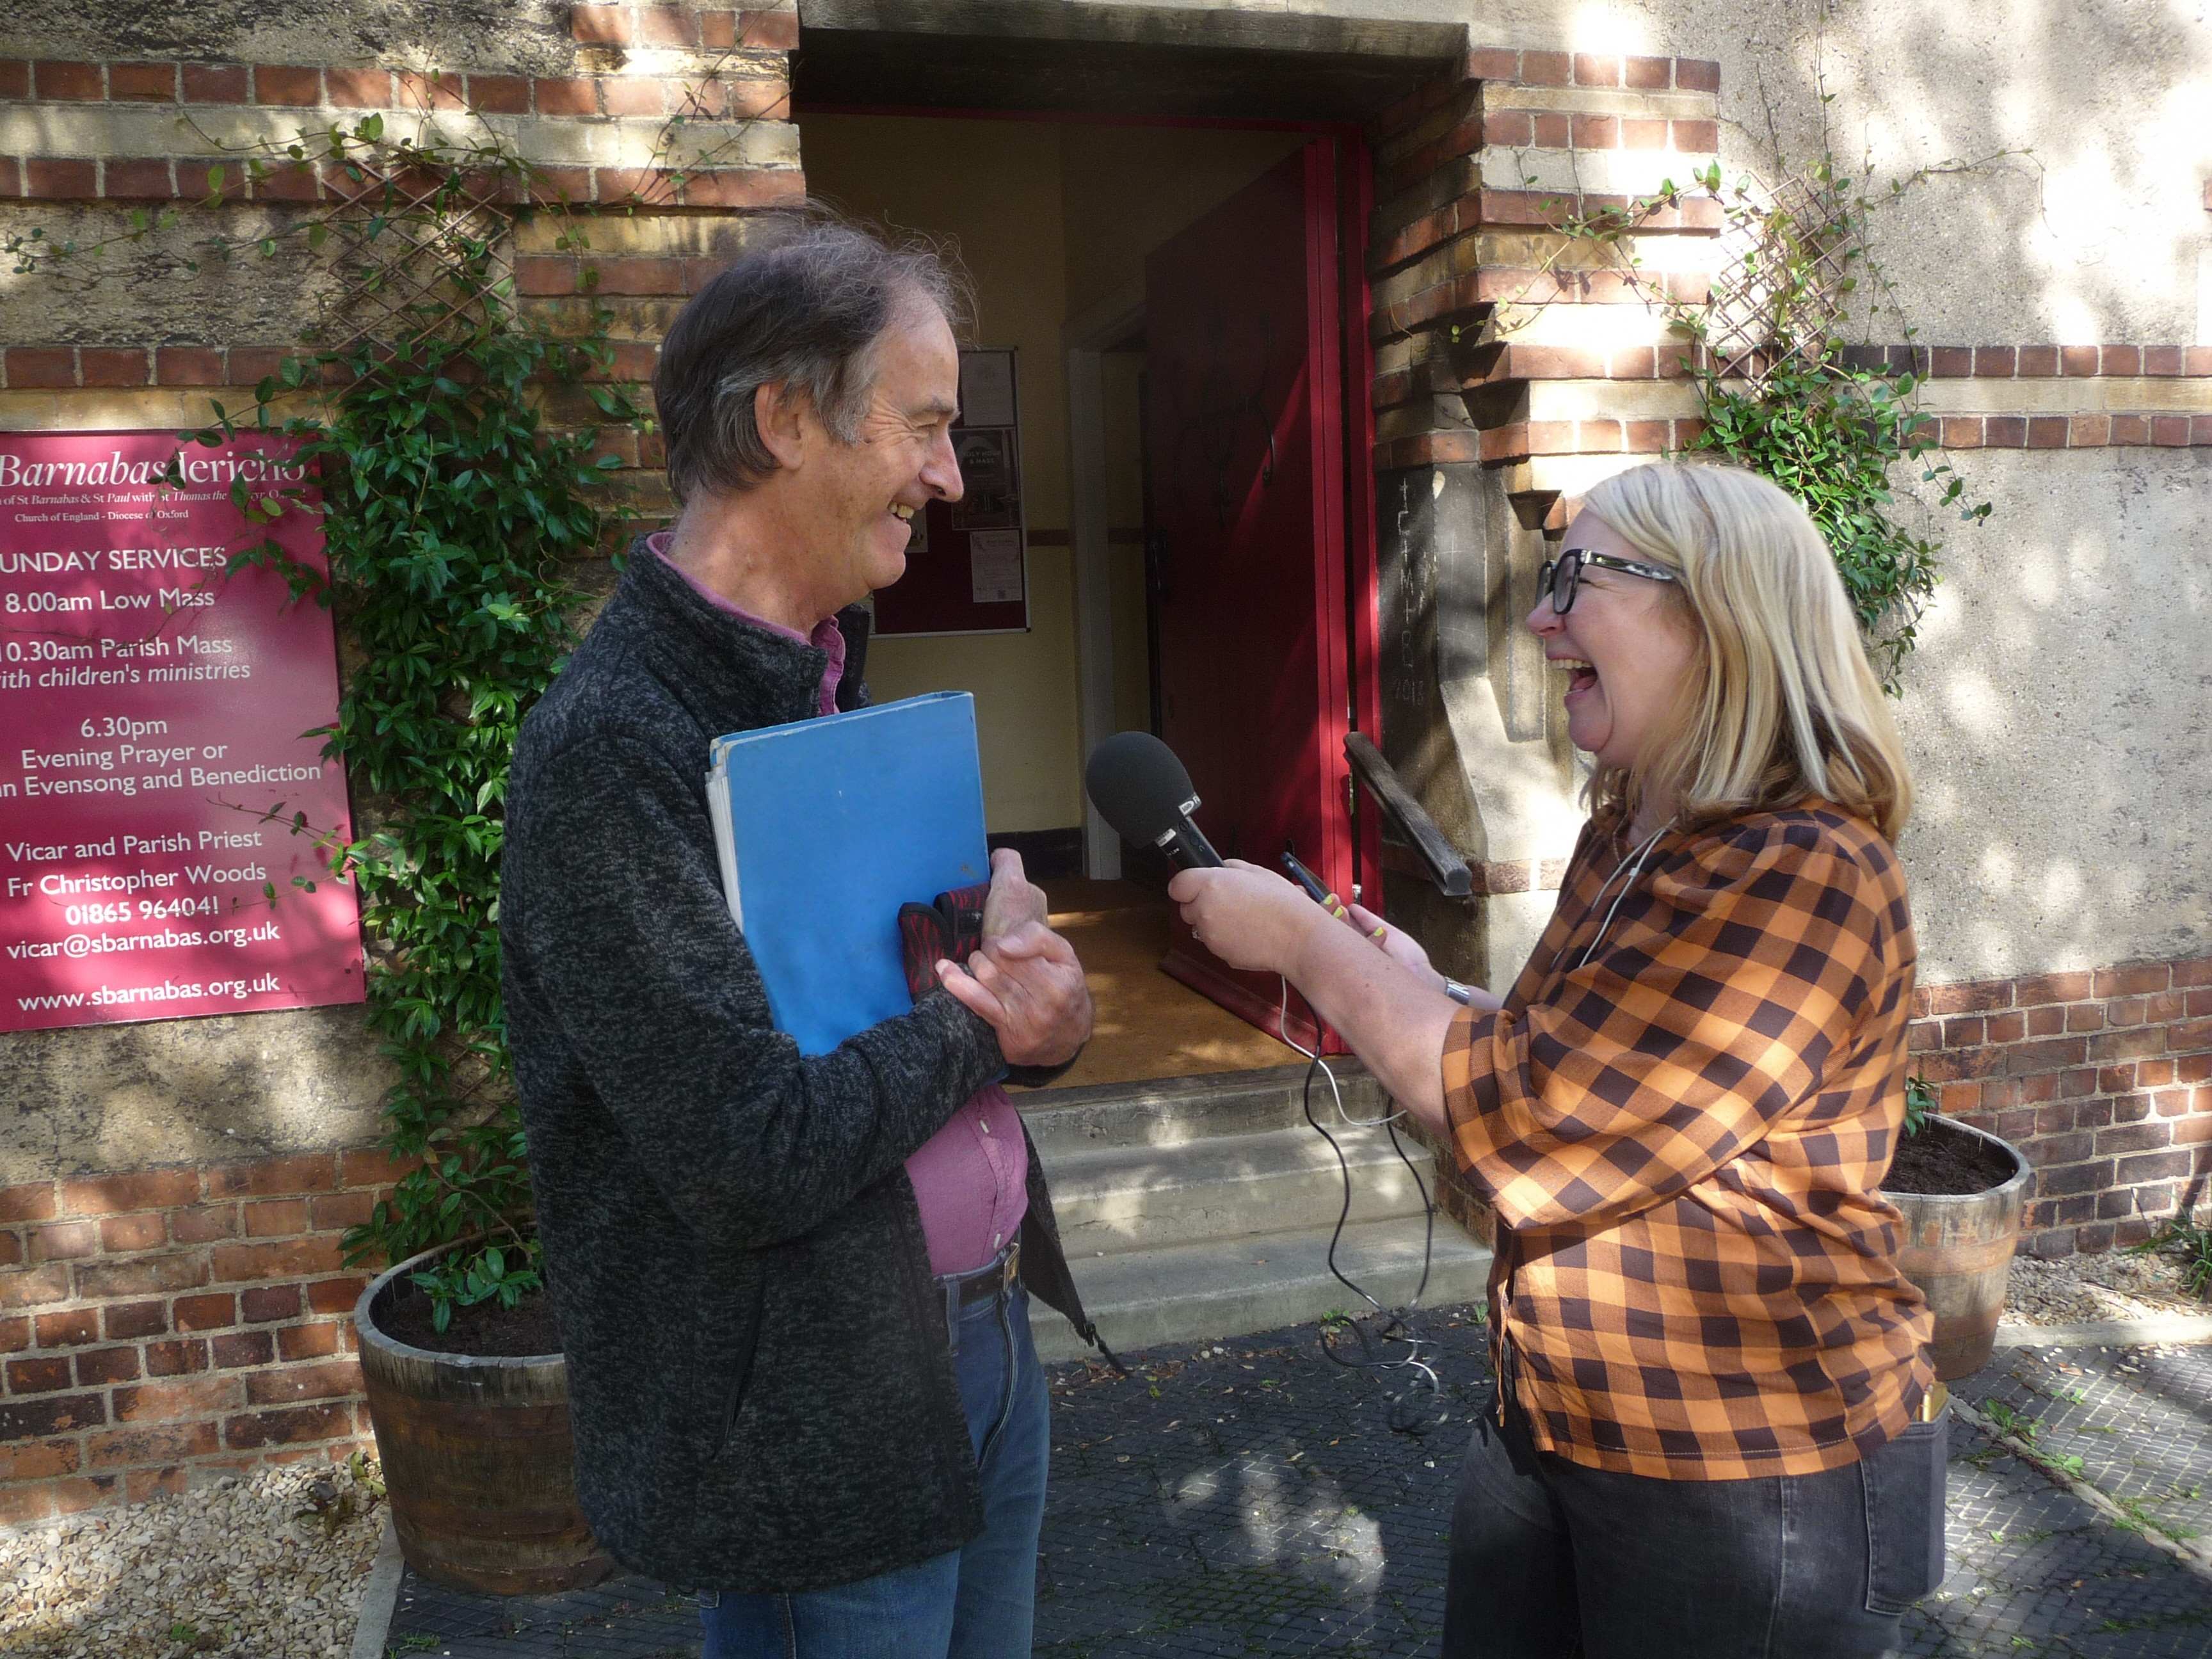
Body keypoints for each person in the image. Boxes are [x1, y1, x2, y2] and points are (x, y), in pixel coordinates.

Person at [1168, 460, 1944, 1658]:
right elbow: (1581, 1059)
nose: (1539, 619)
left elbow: (1540, 1122)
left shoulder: (1806, 869)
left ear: (1712, 612)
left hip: (1745, 1466)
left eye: (1577, 578)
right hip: (1559, 1410)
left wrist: (1307, 947)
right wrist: (1430, 992)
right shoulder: (1634, 828)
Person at [499, 215, 1105, 1659]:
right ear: (783, 421)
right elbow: (747, 1150)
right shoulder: (610, 747)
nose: (953, 476)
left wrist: (1039, 1015)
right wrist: (980, 1027)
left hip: (983, 1331)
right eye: (927, 426)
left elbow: (907, 994)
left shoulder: (830, 665)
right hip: (813, 1403)